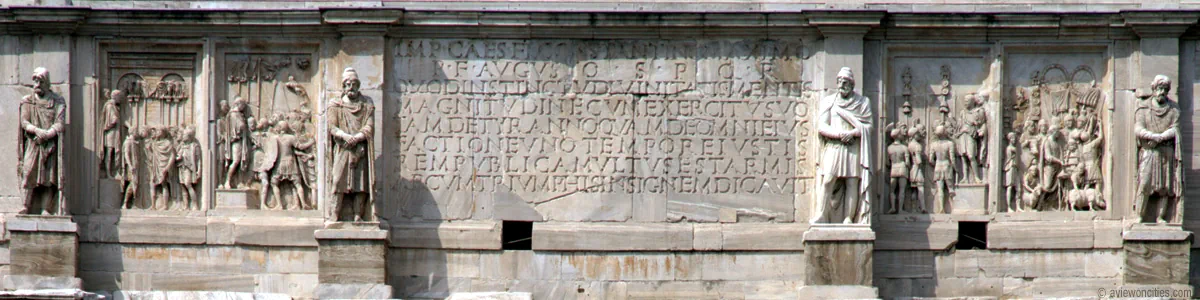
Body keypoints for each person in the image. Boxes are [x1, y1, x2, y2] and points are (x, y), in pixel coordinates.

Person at [812, 67, 873, 224]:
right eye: (839, 82)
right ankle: (822, 215)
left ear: (852, 84)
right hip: (834, 146)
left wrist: (851, 134)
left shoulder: (863, 102)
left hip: (852, 147)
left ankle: (848, 218)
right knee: (828, 181)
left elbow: (868, 127)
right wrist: (839, 135)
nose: (842, 85)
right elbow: (822, 126)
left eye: (845, 82)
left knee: (852, 182)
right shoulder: (829, 101)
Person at [328, 67, 376, 222]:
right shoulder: (335, 104)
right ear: (343, 86)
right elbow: (332, 127)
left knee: (361, 184)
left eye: (354, 83)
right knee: (337, 180)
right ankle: (335, 213)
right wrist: (346, 136)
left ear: (358, 85)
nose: (351, 87)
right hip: (343, 147)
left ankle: (358, 215)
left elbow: (369, 126)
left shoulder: (366, 104)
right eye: (348, 84)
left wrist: (357, 137)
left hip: (359, 147)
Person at [18, 67, 67, 215]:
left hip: (49, 143)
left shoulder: (57, 101)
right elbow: (24, 122)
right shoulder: (28, 101)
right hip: (33, 142)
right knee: (28, 172)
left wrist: (48, 133)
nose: (37, 84)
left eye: (40, 81)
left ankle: (46, 208)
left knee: (49, 178)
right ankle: (25, 206)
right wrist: (37, 131)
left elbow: (60, 123)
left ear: (47, 82)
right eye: (35, 81)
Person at [1135, 75, 1182, 223]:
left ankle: (1161, 217)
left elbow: (1175, 129)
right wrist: (1152, 136)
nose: (1162, 92)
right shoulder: (1143, 108)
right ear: (1153, 89)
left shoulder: (1174, 110)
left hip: (1165, 151)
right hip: (1149, 151)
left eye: (1165, 89)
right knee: (1144, 183)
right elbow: (1138, 128)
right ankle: (1139, 215)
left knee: (1165, 187)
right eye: (1159, 88)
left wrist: (1160, 138)